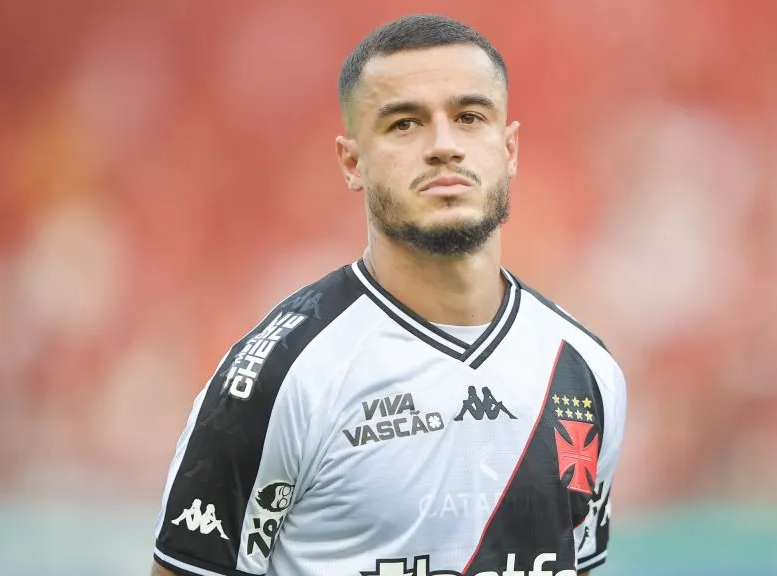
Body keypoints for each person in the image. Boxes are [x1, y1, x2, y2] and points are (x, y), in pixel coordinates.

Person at [151, 13, 627, 576]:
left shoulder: (585, 370)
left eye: (470, 117)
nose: (444, 146)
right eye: (405, 124)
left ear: (510, 148)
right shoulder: (281, 377)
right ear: (352, 162)